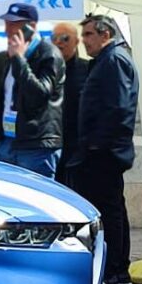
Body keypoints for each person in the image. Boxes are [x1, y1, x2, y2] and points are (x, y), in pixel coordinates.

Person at [75, 14, 139, 284]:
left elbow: (119, 109)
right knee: (112, 209)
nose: (84, 41)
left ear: (105, 34)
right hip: (103, 149)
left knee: (109, 211)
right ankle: (118, 270)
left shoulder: (114, 61)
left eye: (88, 35)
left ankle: (113, 272)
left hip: (106, 152)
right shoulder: (106, 61)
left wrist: (98, 145)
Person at [0, 3, 64, 177]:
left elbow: (39, 94)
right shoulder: (12, 55)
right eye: (7, 23)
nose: (8, 29)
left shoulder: (48, 53)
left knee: (36, 198)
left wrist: (19, 59)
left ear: (31, 27)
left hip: (35, 144)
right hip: (9, 140)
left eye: (14, 24)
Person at [51, 21, 89, 185]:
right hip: (51, 144)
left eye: (65, 38)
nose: (59, 42)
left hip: (77, 146)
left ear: (76, 42)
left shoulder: (87, 70)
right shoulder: (46, 69)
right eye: (55, 38)